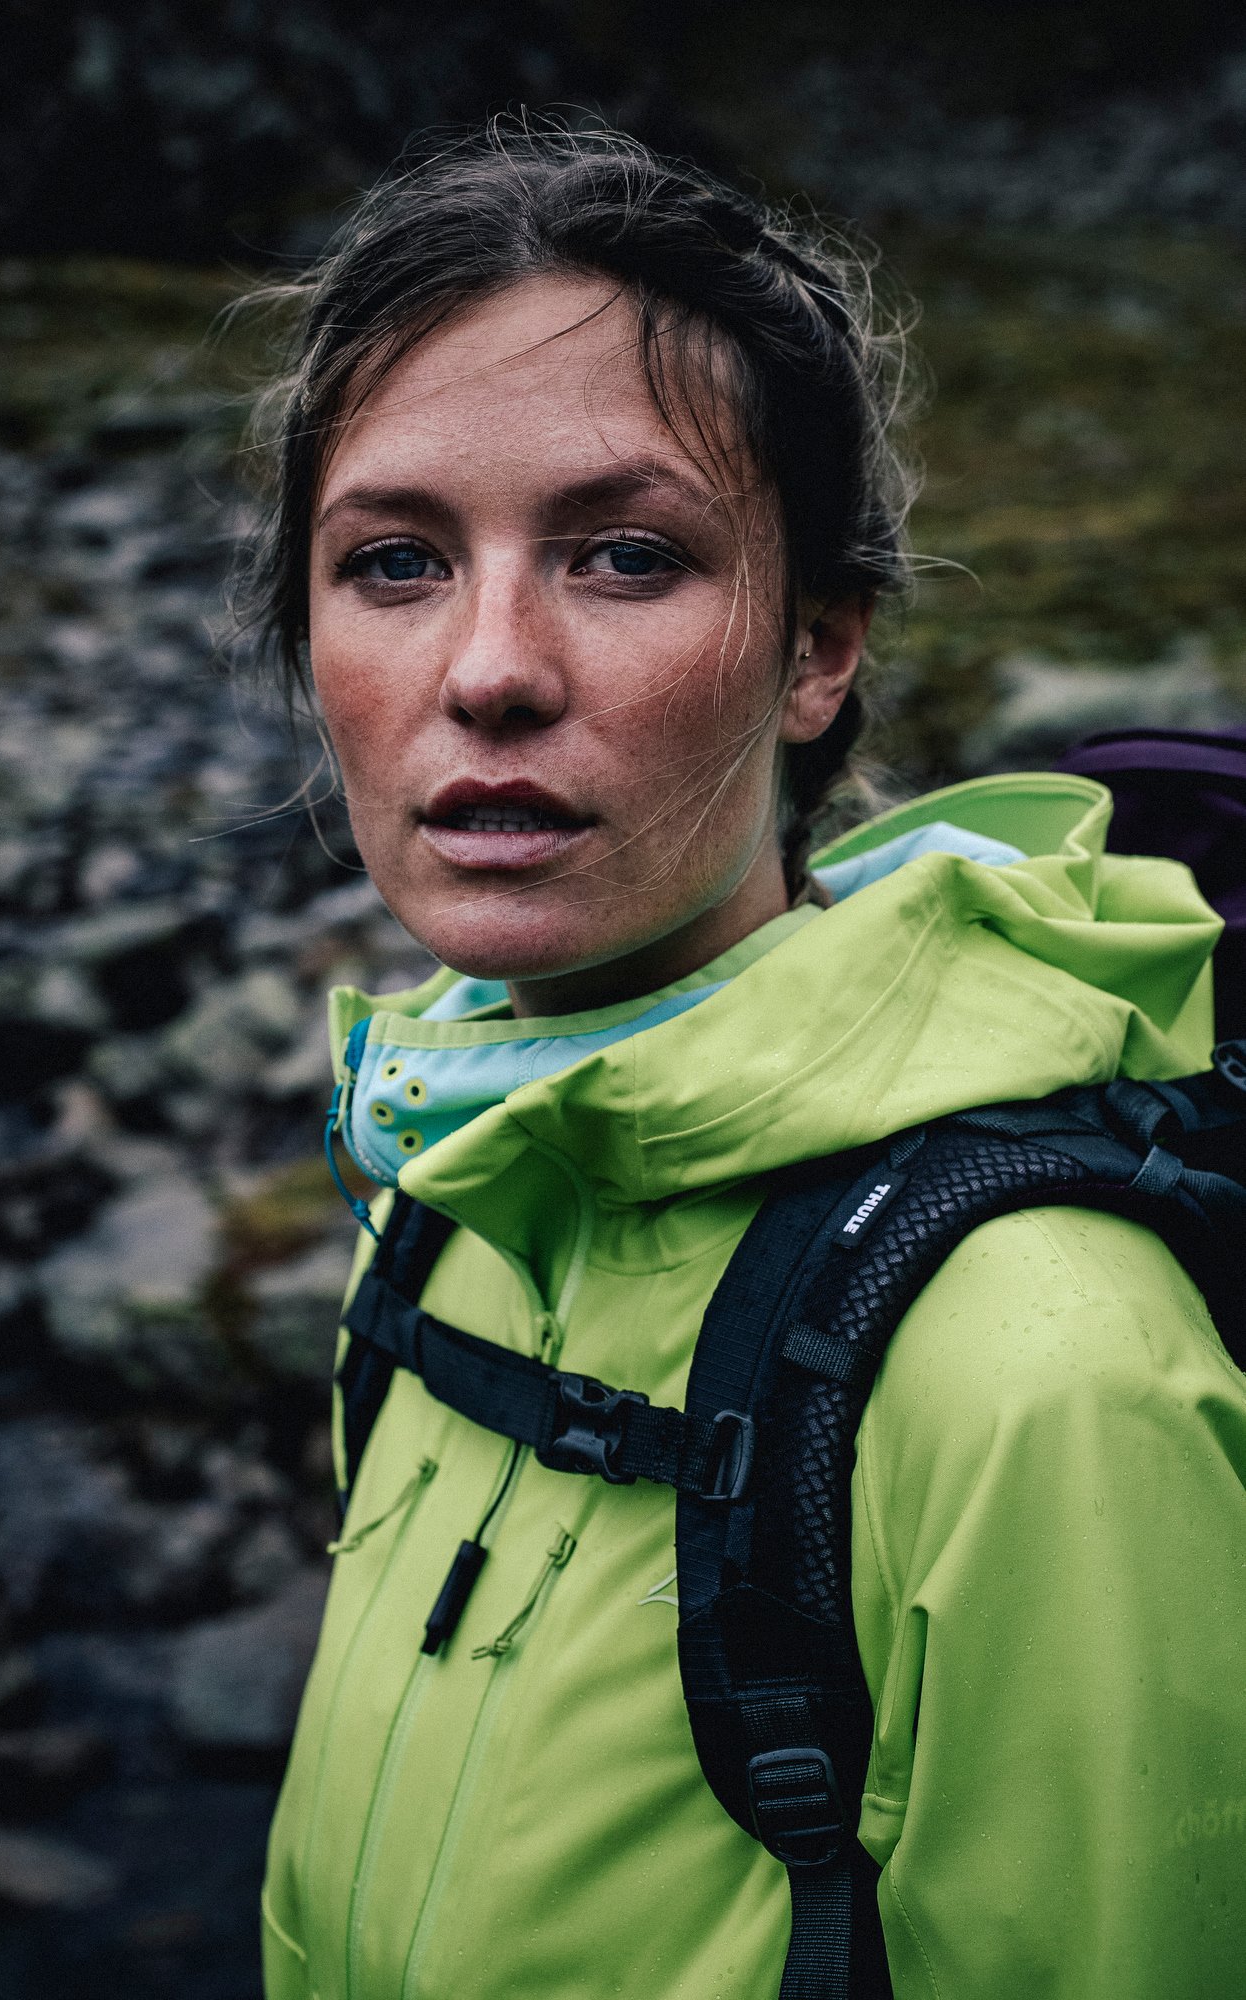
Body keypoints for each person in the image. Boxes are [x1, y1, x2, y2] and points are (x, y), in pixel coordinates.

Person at [245, 123, 1246, 1999]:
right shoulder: (445, 1197)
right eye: (392, 561)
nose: (489, 669)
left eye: (625, 557)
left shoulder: (1037, 1365)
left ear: (816, 650)